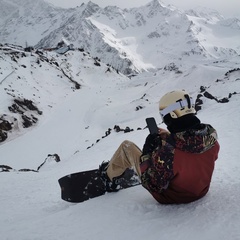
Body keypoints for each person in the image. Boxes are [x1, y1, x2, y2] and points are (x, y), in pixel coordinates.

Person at [99, 90, 220, 204]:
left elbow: (151, 185)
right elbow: (191, 154)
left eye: (163, 113)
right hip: (200, 191)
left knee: (126, 146)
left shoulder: (169, 153)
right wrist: (168, 138)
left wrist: (147, 152)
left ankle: (109, 178)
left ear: (172, 115)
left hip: (171, 196)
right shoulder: (211, 140)